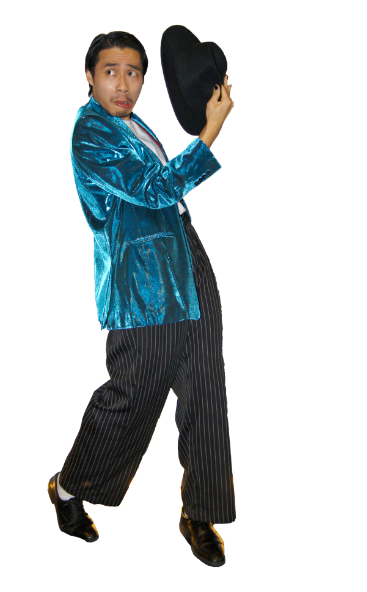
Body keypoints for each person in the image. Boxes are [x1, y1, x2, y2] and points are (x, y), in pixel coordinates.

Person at [48, 30, 235, 567]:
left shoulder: (136, 123)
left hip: (187, 259)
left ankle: (200, 511)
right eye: (111, 71)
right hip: (142, 281)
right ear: (89, 75)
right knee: (134, 390)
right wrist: (211, 130)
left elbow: (164, 190)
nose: (124, 84)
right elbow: (155, 189)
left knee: (205, 384)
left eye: (134, 72)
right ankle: (69, 486)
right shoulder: (89, 130)